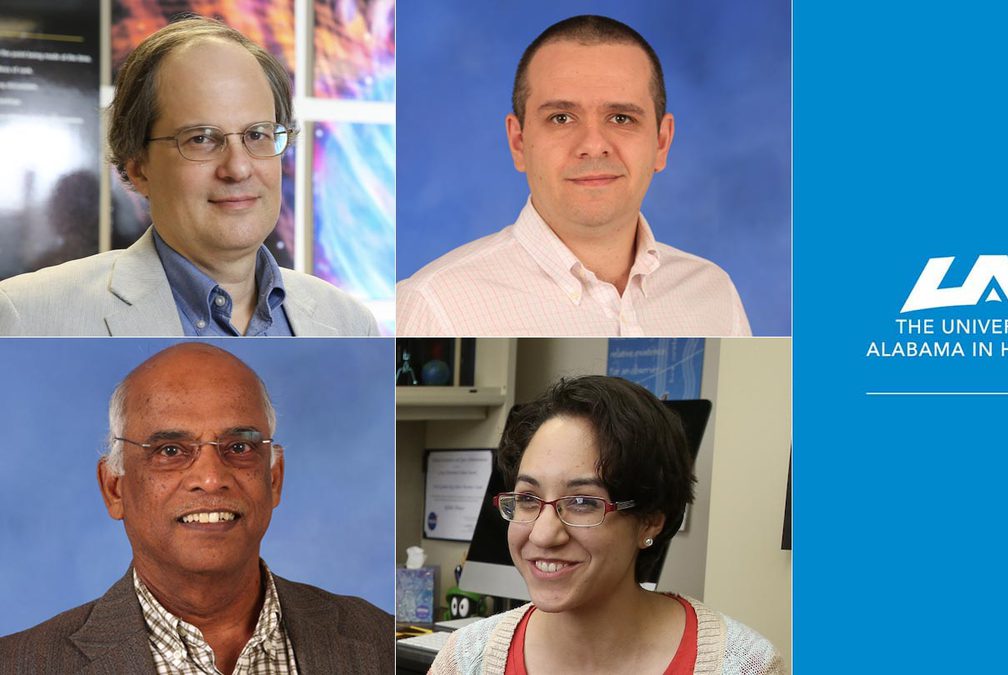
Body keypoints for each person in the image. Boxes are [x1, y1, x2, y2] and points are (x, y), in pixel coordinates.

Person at [0, 343, 393, 673]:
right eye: (170, 451)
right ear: (114, 488)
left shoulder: (379, 642)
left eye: (239, 447)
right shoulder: (20, 663)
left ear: (274, 478)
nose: (210, 478)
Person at [0, 16, 379, 336]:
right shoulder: (27, 318)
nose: (238, 168)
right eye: (201, 139)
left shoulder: (349, 324)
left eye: (257, 135)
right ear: (138, 166)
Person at [396, 15, 751, 337]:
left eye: (621, 118)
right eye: (562, 118)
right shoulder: (433, 307)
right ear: (519, 141)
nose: (594, 146)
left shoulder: (715, 294)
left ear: (661, 142)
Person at [430, 376, 782, 674]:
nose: (543, 533)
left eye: (583, 502)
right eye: (527, 499)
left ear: (651, 519)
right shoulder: (465, 660)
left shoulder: (742, 665)